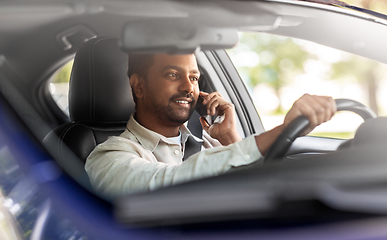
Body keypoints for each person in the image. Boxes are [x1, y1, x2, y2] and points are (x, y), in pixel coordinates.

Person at [85, 53, 336, 198]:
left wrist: (229, 136)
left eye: (193, 77)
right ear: (138, 86)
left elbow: (257, 188)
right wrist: (279, 131)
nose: (188, 86)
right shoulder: (109, 157)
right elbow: (168, 183)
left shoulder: (211, 143)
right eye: (172, 74)